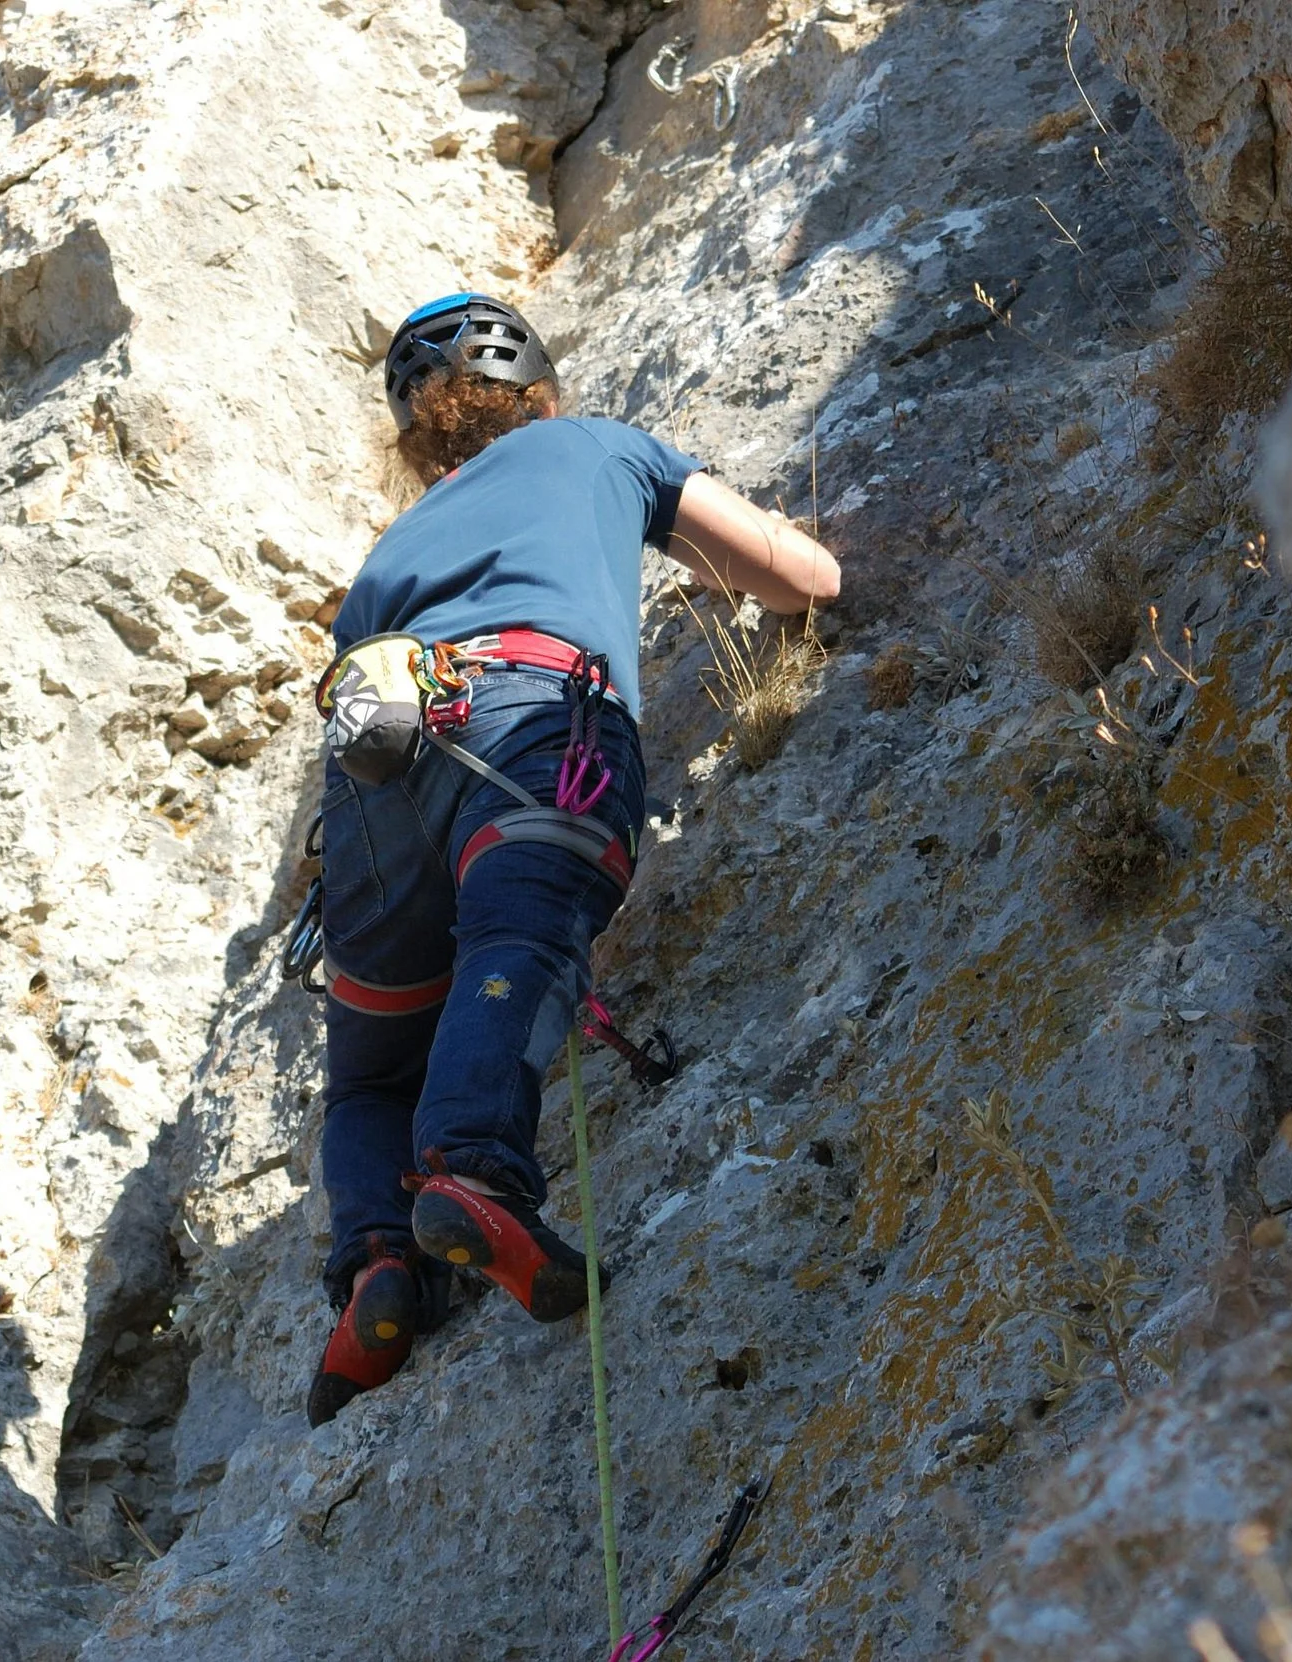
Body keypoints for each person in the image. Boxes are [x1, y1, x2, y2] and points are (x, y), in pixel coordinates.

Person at [305, 293, 841, 1425]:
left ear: (414, 440)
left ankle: (375, 1265)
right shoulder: (595, 446)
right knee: (522, 926)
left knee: (368, 1072)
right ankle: (475, 1173)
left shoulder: (389, 549)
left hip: (369, 773)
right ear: (540, 394)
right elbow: (799, 578)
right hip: (529, 704)